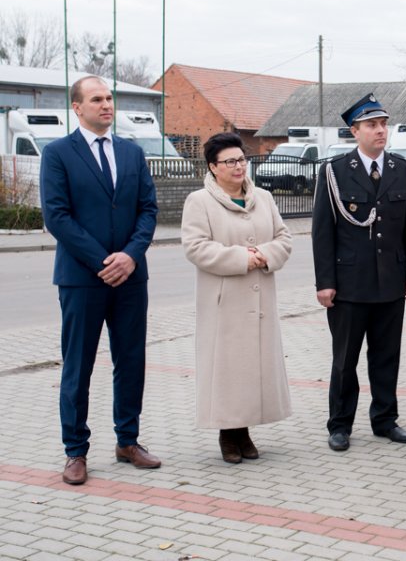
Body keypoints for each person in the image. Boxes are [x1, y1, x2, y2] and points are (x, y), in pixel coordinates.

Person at [40, 76, 160, 486]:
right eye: (97, 99)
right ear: (77, 107)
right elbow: (56, 216)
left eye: (109, 98)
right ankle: (75, 451)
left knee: (131, 361)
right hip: (81, 279)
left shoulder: (131, 152)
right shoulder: (57, 154)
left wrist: (130, 256)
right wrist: (101, 261)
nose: (106, 105)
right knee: (79, 365)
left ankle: (128, 441)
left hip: (131, 277)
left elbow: (148, 209)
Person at [312, 93, 406, 452]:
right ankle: (340, 424)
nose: (381, 130)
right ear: (354, 131)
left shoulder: (402, 170)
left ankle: (385, 420)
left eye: (384, 124)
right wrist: (325, 282)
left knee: (386, 355)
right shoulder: (334, 172)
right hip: (349, 284)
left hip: (390, 282)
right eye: (372, 125)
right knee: (345, 359)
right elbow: (322, 231)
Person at [181, 132, 293, 463]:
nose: (238, 166)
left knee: (254, 368)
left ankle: (245, 430)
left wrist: (264, 254)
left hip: (259, 301)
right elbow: (197, 247)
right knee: (228, 369)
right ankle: (229, 434)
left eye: (242, 159)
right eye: (230, 161)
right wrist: (243, 258)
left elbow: (284, 238)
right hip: (224, 300)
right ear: (213, 167)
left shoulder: (265, 198)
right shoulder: (199, 202)